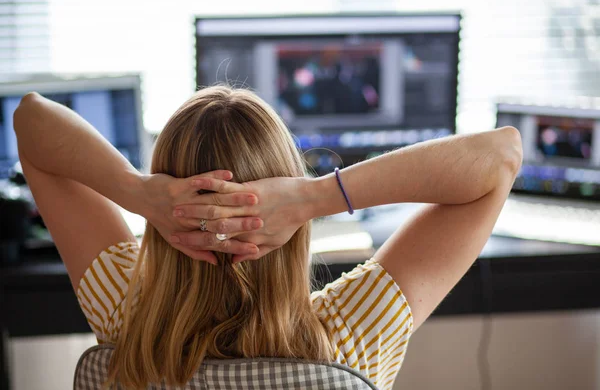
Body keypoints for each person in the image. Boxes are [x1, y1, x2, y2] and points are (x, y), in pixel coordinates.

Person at [13, 86, 522, 389]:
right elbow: (500, 158)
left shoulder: (121, 310)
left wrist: (137, 194)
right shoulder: (353, 338)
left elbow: (31, 120)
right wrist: (317, 197)